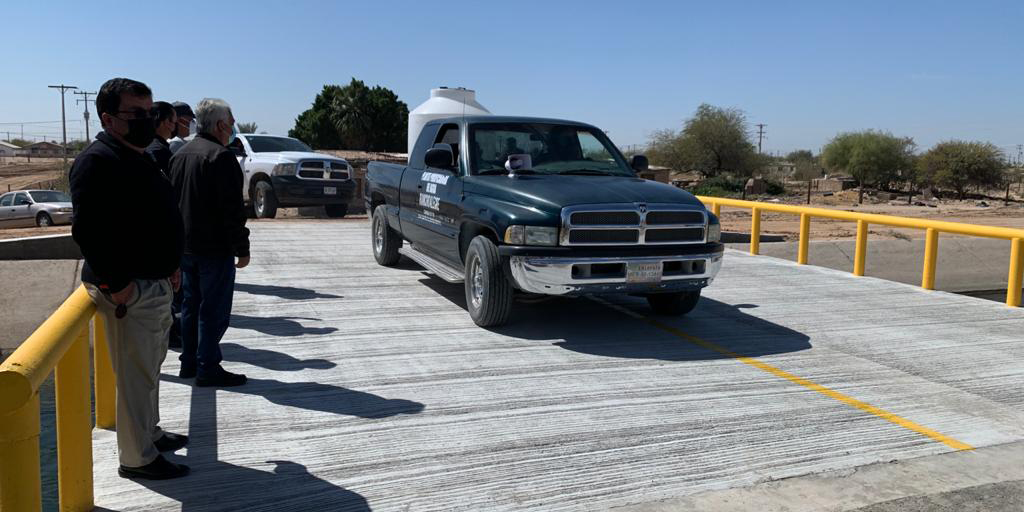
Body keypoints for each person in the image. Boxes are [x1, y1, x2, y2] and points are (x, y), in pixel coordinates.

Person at [69, 77, 189, 480]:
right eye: (135, 114)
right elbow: (89, 232)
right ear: (108, 119)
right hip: (129, 293)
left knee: (150, 369)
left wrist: (170, 265)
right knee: (136, 377)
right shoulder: (97, 162)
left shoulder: (139, 156)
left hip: (154, 285)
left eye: (149, 112)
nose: (146, 120)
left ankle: (149, 433)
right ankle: (137, 458)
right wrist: (116, 285)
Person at [168, 98, 250, 387]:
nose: (231, 131)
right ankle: (208, 367)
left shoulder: (179, 155)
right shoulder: (221, 157)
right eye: (230, 125)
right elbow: (233, 211)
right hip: (215, 250)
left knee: (190, 308)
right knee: (213, 311)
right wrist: (242, 248)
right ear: (219, 125)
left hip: (185, 249)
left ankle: (188, 363)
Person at [145, 101, 183, 349]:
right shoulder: (158, 152)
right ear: (159, 121)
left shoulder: (151, 149)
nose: (174, 127)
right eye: (171, 122)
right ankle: (172, 334)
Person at [146, 101, 176, 175]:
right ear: (167, 122)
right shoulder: (161, 150)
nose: (175, 126)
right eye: (175, 121)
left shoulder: (141, 145)